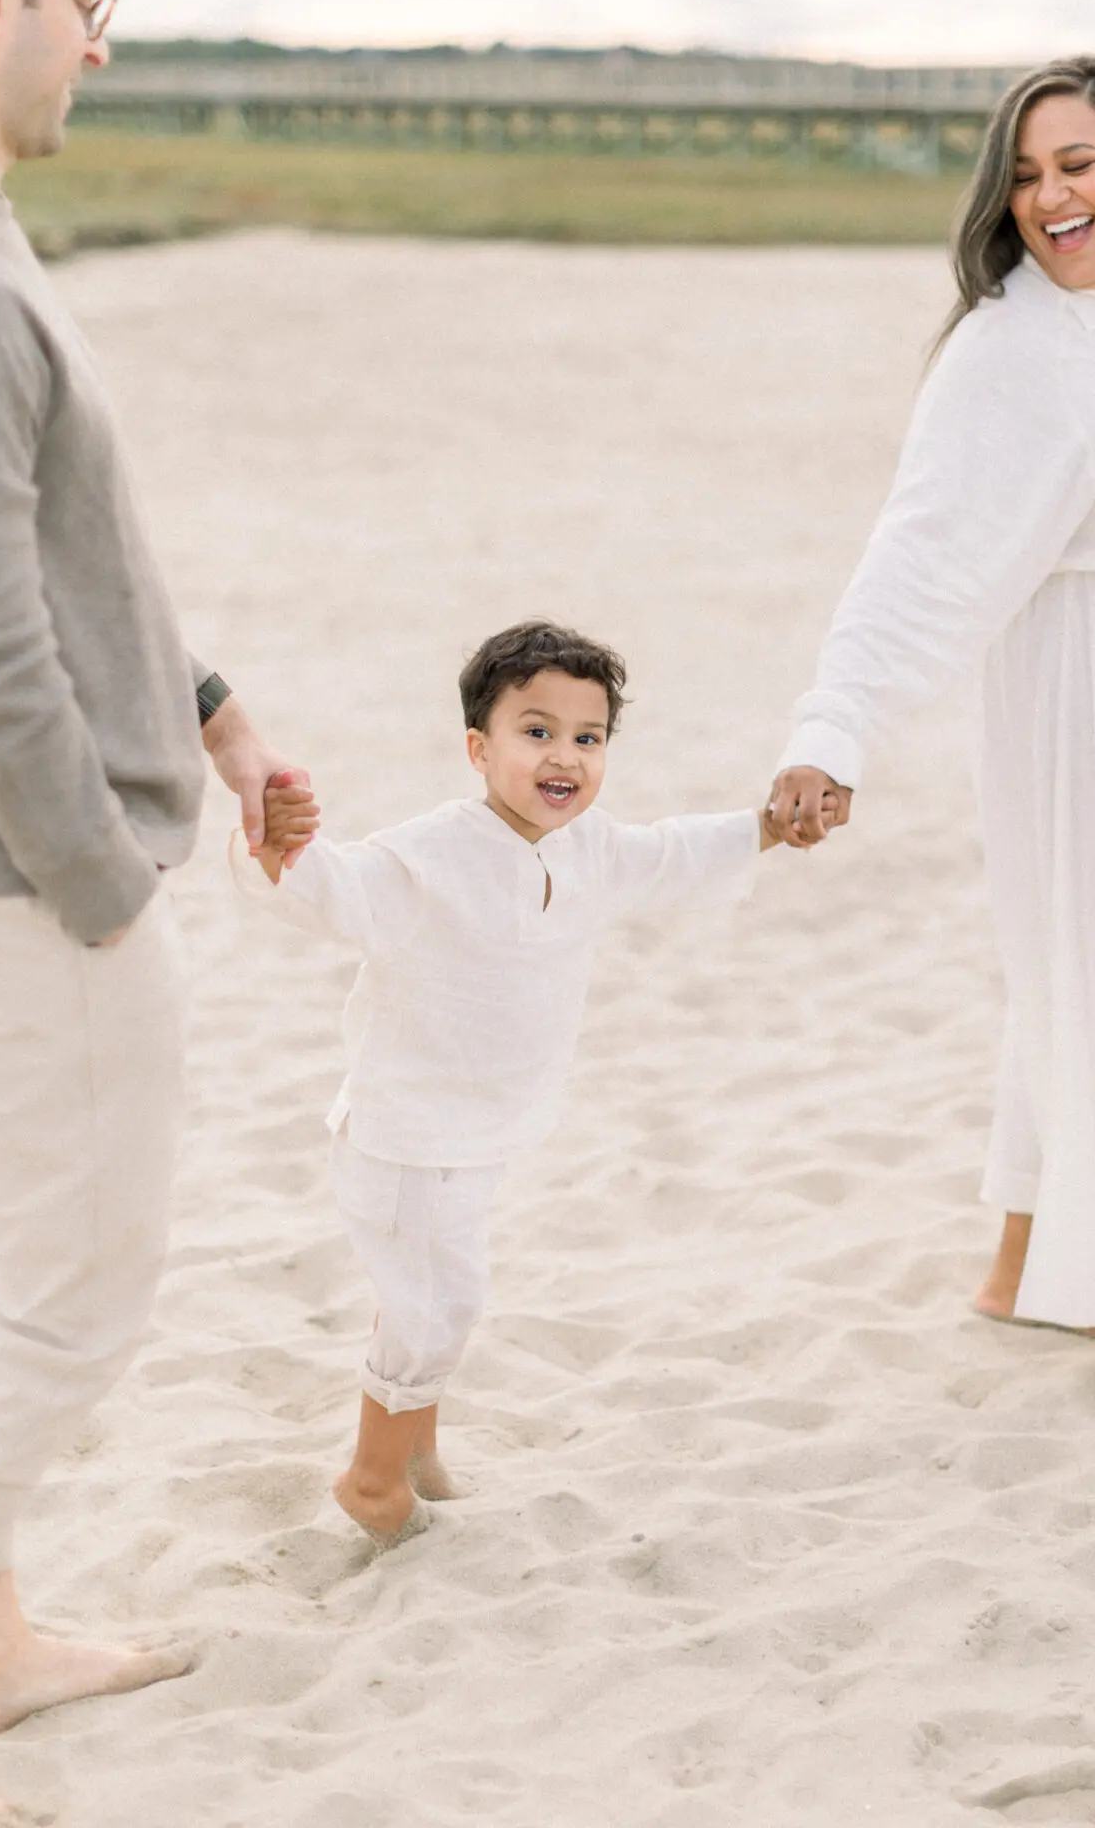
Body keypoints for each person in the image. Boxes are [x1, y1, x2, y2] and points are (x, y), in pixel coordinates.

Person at [0, 0, 313, 1825]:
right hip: (8, 889)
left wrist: (209, 705)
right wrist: (100, 891)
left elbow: (56, 559)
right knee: (70, 1310)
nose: (100, 39)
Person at [770, 55, 1095, 1345]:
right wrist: (836, 726)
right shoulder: (1013, 352)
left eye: (1077, 164)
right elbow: (919, 555)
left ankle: (1022, 1268)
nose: (1048, 198)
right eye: (1027, 175)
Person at [232, 620, 796, 1548]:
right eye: (534, 732)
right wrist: (276, 847)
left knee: (425, 1295)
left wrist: (765, 828)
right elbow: (336, 885)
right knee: (437, 1304)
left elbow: (673, 855)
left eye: (587, 737)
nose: (562, 756)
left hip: (483, 1131)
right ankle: (373, 1480)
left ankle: (416, 1451)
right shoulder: (428, 857)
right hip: (408, 1136)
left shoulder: (593, 851)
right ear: (477, 748)